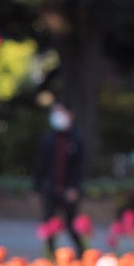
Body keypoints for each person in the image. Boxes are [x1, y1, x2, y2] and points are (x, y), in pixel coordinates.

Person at [34, 104, 87, 254]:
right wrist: (37, 187)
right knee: (49, 222)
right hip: (50, 187)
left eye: (61, 112)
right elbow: (40, 164)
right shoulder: (48, 138)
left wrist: (74, 187)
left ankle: (82, 252)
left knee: (72, 223)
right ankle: (50, 254)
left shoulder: (76, 138)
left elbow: (79, 167)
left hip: (69, 188)